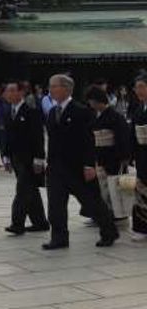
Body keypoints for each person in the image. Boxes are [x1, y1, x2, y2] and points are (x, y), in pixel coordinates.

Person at [42, 74, 118, 250]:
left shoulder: (81, 111)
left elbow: (88, 140)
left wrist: (89, 164)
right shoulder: (53, 112)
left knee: (92, 202)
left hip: (77, 167)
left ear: (66, 89)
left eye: (54, 86)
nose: (51, 89)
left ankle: (109, 231)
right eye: (50, 86)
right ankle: (59, 238)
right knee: (56, 205)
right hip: (56, 167)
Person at [1, 82, 49, 235]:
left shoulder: (31, 112)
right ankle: (40, 222)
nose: (9, 93)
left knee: (22, 190)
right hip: (16, 158)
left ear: (21, 93)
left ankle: (17, 223)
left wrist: (39, 158)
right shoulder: (9, 111)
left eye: (12, 90)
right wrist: (6, 156)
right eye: (7, 91)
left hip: (29, 158)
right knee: (31, 190)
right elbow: (8, 137)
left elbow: (38, 137)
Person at [87, 86, 132, 222]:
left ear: (96, 101)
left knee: (116, 185)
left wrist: (125, 157)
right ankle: (105, 214)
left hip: (113, 156)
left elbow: (123, 138)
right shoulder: (96, 115)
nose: (90, 104)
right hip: (100, 155)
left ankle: (119, 213)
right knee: (103, 188)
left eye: (90, 101)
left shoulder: (115, 117)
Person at [130, 72, 147, 241]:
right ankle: (142, 227)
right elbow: (132, 135)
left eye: (142, 87)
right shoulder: (138, 109)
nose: (138, 91)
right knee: (142, 191)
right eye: (137, 88)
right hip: (142, 156)